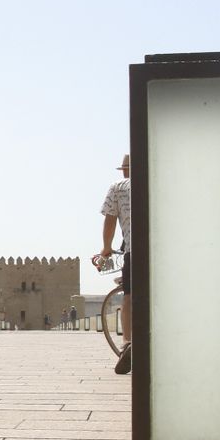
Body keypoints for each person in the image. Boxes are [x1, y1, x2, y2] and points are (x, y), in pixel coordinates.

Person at [99, 153, 133, 375]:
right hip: (162, 252)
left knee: (129, 297)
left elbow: (110, 221)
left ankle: (128, 343)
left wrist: (106, 247)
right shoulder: (157, 181)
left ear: (125, 170)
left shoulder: (118, 188)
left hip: (135, 250)